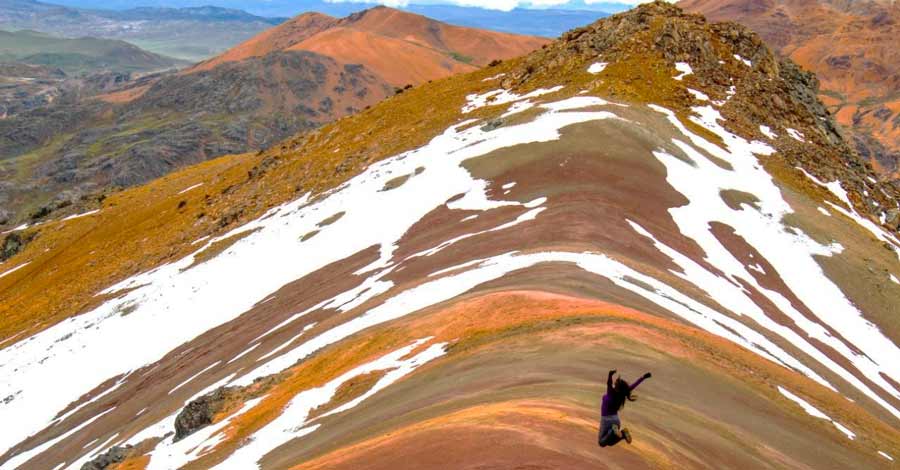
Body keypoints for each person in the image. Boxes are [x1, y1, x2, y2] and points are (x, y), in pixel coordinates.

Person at [598, 369, 651, 447]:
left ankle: (613, 431)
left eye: (615, 384)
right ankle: (623, 434)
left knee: (601, 443)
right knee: (609, 442)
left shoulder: (611, 393)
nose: (613, 384)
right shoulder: (621, 395)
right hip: (616, 420)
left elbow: (609, 383)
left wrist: (610, 375)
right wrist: (643, 377)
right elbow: (633, 386)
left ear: (616, 386)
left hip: (606, 420)